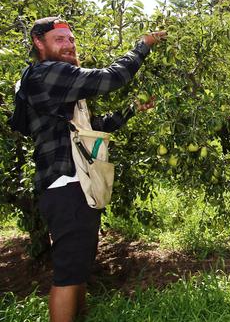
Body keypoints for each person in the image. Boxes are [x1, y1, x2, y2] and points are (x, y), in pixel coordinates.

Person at [20, 16, 166, 322]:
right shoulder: (47, 74)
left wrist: (132, 110)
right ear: (39, 42)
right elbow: (110, 77)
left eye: (71, 39)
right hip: (66, 186)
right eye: (59, 39)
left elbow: (92, 130)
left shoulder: (61, 87)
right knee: (67, 276)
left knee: (78, 269)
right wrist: (143, 46)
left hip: (76, 186)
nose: (69, 45)